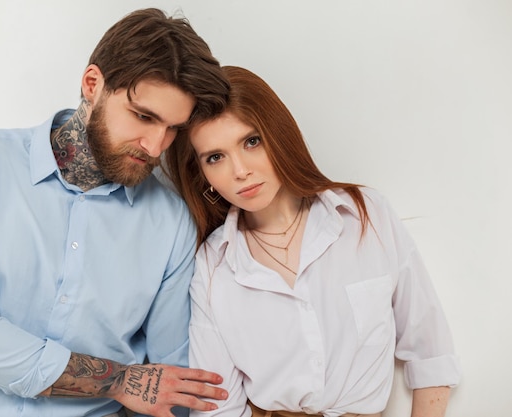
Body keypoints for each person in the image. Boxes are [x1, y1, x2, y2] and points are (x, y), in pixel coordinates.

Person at [0, 8, 231, 417]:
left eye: (173, 128)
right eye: (143, 116)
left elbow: (171, 380)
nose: (156, 146)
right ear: (93, 84)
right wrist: (120, 380)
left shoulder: (171, 223)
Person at [164, 66, 461, 417]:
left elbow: (430, 352)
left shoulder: (365, 216)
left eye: (251, 141)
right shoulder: (213, 265)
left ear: (279, 136)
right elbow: (218, 408)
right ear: (205, 176)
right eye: (215, 157)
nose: (240, 170)